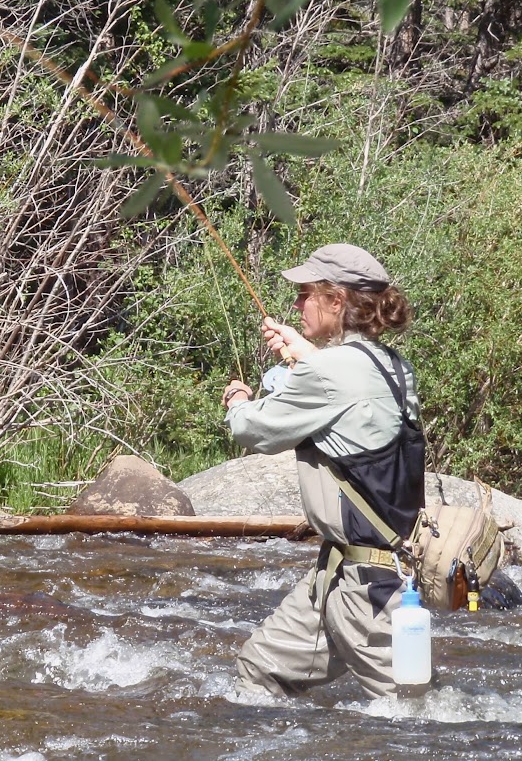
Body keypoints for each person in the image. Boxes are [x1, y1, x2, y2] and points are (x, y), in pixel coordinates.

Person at [222, 243, 422, 701]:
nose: (296, 305)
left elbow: (255, 431)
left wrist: (238, 400)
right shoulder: (395, 367)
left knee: (414, 713)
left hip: (369, 589)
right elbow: (347, 396)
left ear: (336, 300)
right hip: (343, 573)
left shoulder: (327, 371)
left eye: (305, 294)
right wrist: (307, 354)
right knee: (260, 670)